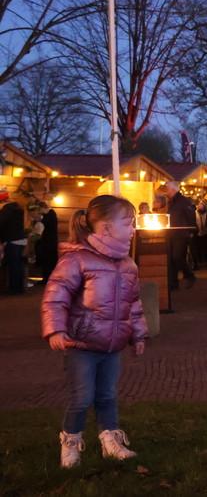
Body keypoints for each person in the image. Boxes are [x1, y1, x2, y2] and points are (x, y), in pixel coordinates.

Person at [40, 195, 147, 468]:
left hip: (112, 348)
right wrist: (55, 330)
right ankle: (71, 442)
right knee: (82, 397)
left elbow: (133, 303)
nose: (134, 228)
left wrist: (138, 334)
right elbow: (56, 296)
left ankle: (110, 440)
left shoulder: (128, 265)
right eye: (129, 223)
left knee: (108, 395)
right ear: (107, 227)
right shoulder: (76, 260)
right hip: (81, 347)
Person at [162, 182, 197, 290]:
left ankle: (189, 275)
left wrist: (191, 231)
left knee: (177, 257)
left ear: (173, 189)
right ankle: (173, 283)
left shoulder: (184, 201)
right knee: (171, 259)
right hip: (171, 233)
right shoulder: (171, 202)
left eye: (167, 189)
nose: (166, 191)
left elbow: (191, 216)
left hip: (181, 234)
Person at [0, 190, 27, 294]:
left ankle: (14, 288)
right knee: (18, 265)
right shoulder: (16, 208)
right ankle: (19, 288)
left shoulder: (7, 209)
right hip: (19, 239)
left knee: (13, 265)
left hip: (12, 240)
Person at [36, 201, 59, 285]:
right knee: (47, 262)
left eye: (40, 209)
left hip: (50, 242)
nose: (39, 211)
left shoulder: (50, 214)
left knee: (49, 261)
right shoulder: (49, 214)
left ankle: (48, 279)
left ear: (43, 208)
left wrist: (39, 220)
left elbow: (44, 224)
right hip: (49, 242)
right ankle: (46, 279)